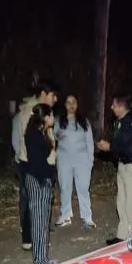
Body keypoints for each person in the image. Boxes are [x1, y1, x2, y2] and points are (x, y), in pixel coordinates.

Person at [11, 78, 59, 250]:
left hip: (40, 163)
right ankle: (31, 239)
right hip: (32, 164)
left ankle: (37, 236)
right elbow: (28, 143)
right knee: (31, 202)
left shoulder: (41, 111)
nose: (55, 100)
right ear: (44, 94)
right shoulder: (29, 113)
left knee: (38, 202)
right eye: (53, 95)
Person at [96, 94, 132, 242]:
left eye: (113, 105)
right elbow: (119, 143)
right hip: (123, 165)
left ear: (120, 106)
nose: (111, 108)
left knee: (131, 204)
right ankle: (123, 236)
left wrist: (110, 147)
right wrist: (110, 147)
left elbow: (131, 147)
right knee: (122, 202)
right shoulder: (120, 121)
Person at [22, 103, 58, 264]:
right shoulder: (34, 135)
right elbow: (38, 162)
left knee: (43, 220)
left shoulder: (39, 133)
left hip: (42, 178)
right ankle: (39, 259)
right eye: (51, 115)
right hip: (38, 180)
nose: (53, 118)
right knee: (38, 221)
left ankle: (43, 257)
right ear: (45, 117)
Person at [54, 94, 95, 229]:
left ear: (77, 105)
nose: (71, 105)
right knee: (65, 187)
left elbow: (89, 143)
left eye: (74, 102)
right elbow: (53, 136)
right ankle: (65, 215)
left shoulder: (84, 122)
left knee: (83, 189)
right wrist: (58, 134)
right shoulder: (59, 120)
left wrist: (90, 161)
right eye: (68, 102)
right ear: (64, 105)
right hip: (64, 159)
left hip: (82, 159)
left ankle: (87, 217)